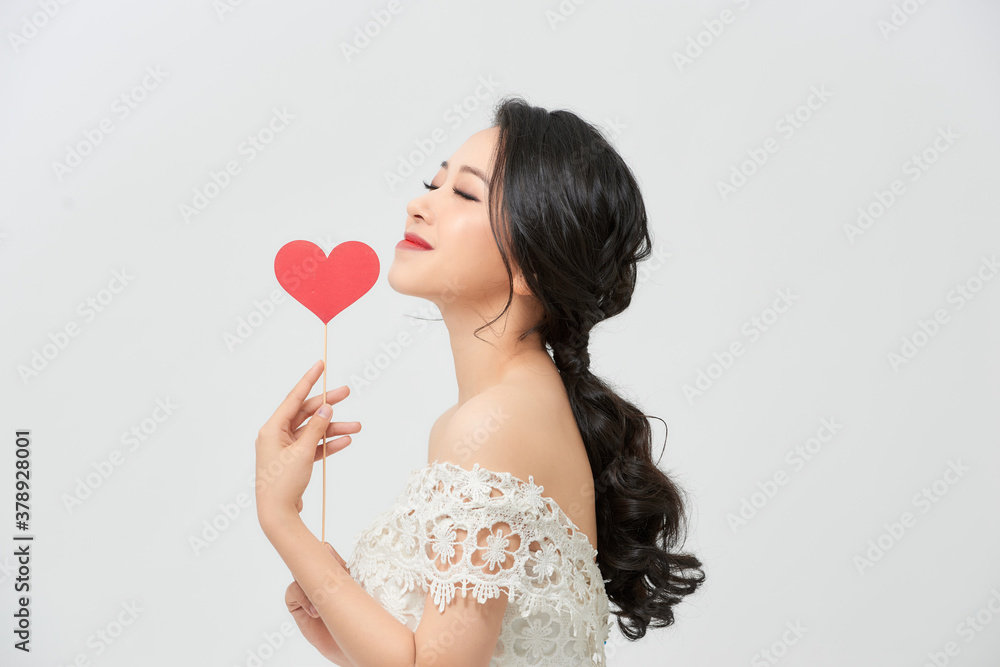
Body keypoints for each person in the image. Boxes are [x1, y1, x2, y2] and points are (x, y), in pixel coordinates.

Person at [254, 96, 705, 666]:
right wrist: (339, 633)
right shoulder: (510, 410)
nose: (419, 205)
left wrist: (281, 517)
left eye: (465, 193)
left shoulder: (493, 424)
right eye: (433, 183)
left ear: (533, 262)